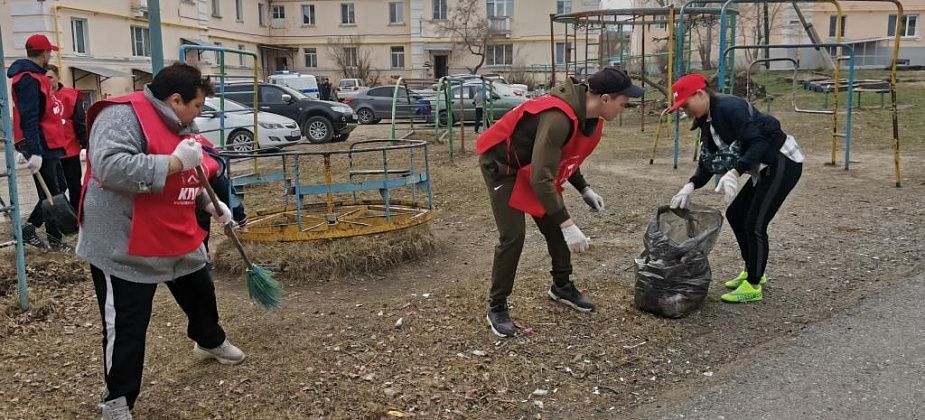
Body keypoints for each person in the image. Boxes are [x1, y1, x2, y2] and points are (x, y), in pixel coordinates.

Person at [76, 63, 246, 419]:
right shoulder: (121, 116)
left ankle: (209, 340)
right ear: (175, 99)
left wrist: (209, 204)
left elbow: (191, 172)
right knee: (127, 325)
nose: (198, 116)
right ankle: (117, 400)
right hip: (125, 242)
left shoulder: (181, 123)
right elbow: (110, 168)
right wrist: (171, 163)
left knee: (201, 292)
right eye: (197, 106)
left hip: (175, 232)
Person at [476, 67, 643, 337]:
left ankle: (561, 286)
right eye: (623, 103)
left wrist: (584, 188)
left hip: (533, 166)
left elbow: (563, 157)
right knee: (513, 236)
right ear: (605, 98)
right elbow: (542, 178)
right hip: (503, 166)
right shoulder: (559, 116)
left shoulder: (587, 116)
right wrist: (568, 223)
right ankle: (497, 306)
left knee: (554, 226)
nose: (624, 108)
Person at [666, 74, 804, 304]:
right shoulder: (708, 121)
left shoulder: (730, 107)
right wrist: (690, 185)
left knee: (755, 223)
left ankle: (754, 283)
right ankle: (752, 268)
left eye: (686, 104)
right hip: (763, 167)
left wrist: (735, 172)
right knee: (735, 214)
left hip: (782, 161)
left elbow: (758, 141)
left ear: (700, 94)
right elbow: (708, 162)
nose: (686, 111)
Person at [8, 34, 69, 251]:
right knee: (51, 194)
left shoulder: (36, 77)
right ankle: (49, 238)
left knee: (58, 189)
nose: (50, 55)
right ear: (44, 53)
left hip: (49, 142)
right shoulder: (27, 79)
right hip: (41, 144)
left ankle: (33, 230)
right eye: (49, 52)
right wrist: (33, 151)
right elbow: (29, 117)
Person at [46, 64, 87, 212]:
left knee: (74, 185)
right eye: (44, 78)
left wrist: (85, 145)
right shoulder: (40, 96)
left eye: (50, 77)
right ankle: (58, 218)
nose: (47, 80)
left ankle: (77, 215)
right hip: (50, 151)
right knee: (54, 189)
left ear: (58, 77)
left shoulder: (71, 95)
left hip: (70, 149)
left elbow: (79, 122)